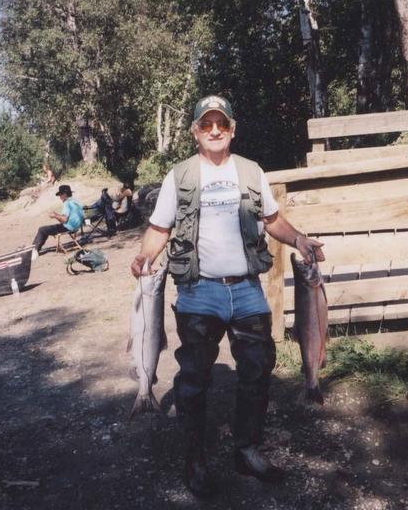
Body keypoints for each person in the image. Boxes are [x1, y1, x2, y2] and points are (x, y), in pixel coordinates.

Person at [130, 95, 325, 497]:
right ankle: (195, 459)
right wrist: (145, 255)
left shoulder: (251, 171)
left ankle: (247, 450)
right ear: (195, 132)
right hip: (198, 291)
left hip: (247, 290)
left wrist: (300, 239)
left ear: (232, 129)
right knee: (194, 378)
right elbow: (160, 228)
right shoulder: (179, 175)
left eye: (222, 124)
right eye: (206, 124)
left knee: (257, 369)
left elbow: (272, 220)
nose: (215, 131)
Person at [31, 184, 84, 258]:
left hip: (69, 227)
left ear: (65, 194)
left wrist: (55, 216)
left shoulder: (67, 203)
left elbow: (64, 220)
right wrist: (56, 214)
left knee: (42, 230)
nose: (60, 197)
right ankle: (36, 249)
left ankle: (34, 251)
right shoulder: (76, 201)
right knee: (47, 229)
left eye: (60, 194)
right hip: (77, 227)